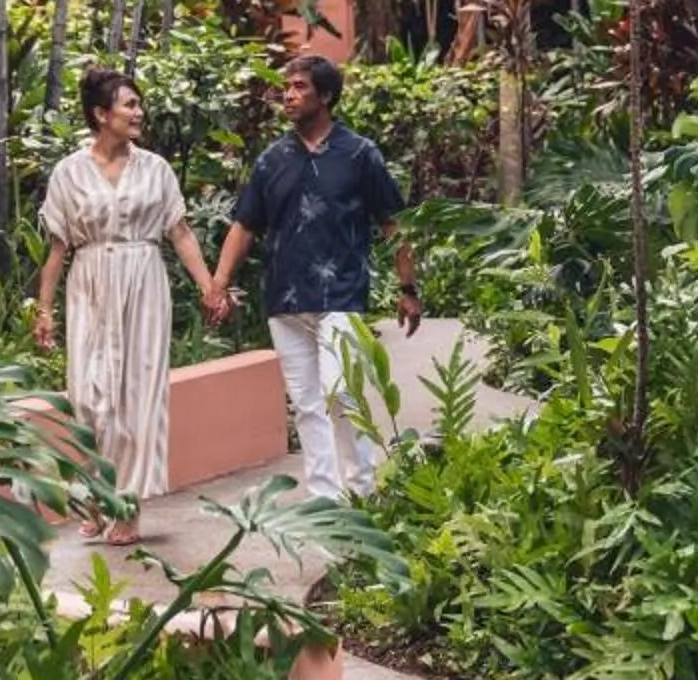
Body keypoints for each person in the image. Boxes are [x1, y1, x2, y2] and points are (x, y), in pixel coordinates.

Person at [205, 55, 421, 502]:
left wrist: (408, 289)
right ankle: (324, 497)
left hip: (342, 296)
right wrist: (219, 283)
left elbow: (396, 225)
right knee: (306, 405)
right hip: (284, 301)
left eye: (300, 86)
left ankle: (360, 489)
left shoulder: (360, 154)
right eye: (287, 86)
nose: (288, 94)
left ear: (326, 96)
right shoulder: (272, 159)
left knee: (340, 393)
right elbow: (244, 225)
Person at [32, 69, 220, 544]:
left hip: (143, 282)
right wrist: (44, 310)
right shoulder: (69, 173)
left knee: (138, 395)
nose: (138, 113)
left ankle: (128, 506)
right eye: (129, 105)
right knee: (89, 395)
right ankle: (96, 495)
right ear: (101, 114)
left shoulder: (155, 168)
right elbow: (57, 248)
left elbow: (179, 232)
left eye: (139, 104)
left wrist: (208, 288)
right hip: (90, 284)